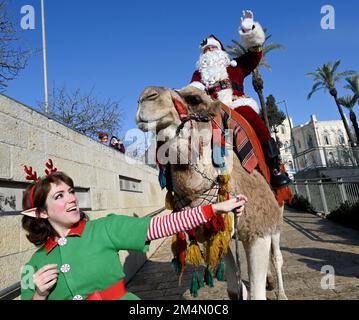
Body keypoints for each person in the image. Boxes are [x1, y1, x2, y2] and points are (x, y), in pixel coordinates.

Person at [20, 161, 247, 300]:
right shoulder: (33, 265)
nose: (72, 199)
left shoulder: (104, 228)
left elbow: (160, 226)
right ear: (40, 213)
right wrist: (39, 295)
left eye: (71, 191)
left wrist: (215, 209)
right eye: (60, 196)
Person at [189, 10, 291, 189]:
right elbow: (192, 91)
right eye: (205, 50)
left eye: (212, 48)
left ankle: (274, 166)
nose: (209, 52)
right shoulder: (198, 74)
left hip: (235, 106)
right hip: (210, 111)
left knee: (250, 114)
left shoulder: (235, 67)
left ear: (220, 51)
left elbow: (254, 56)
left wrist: (249, 31)